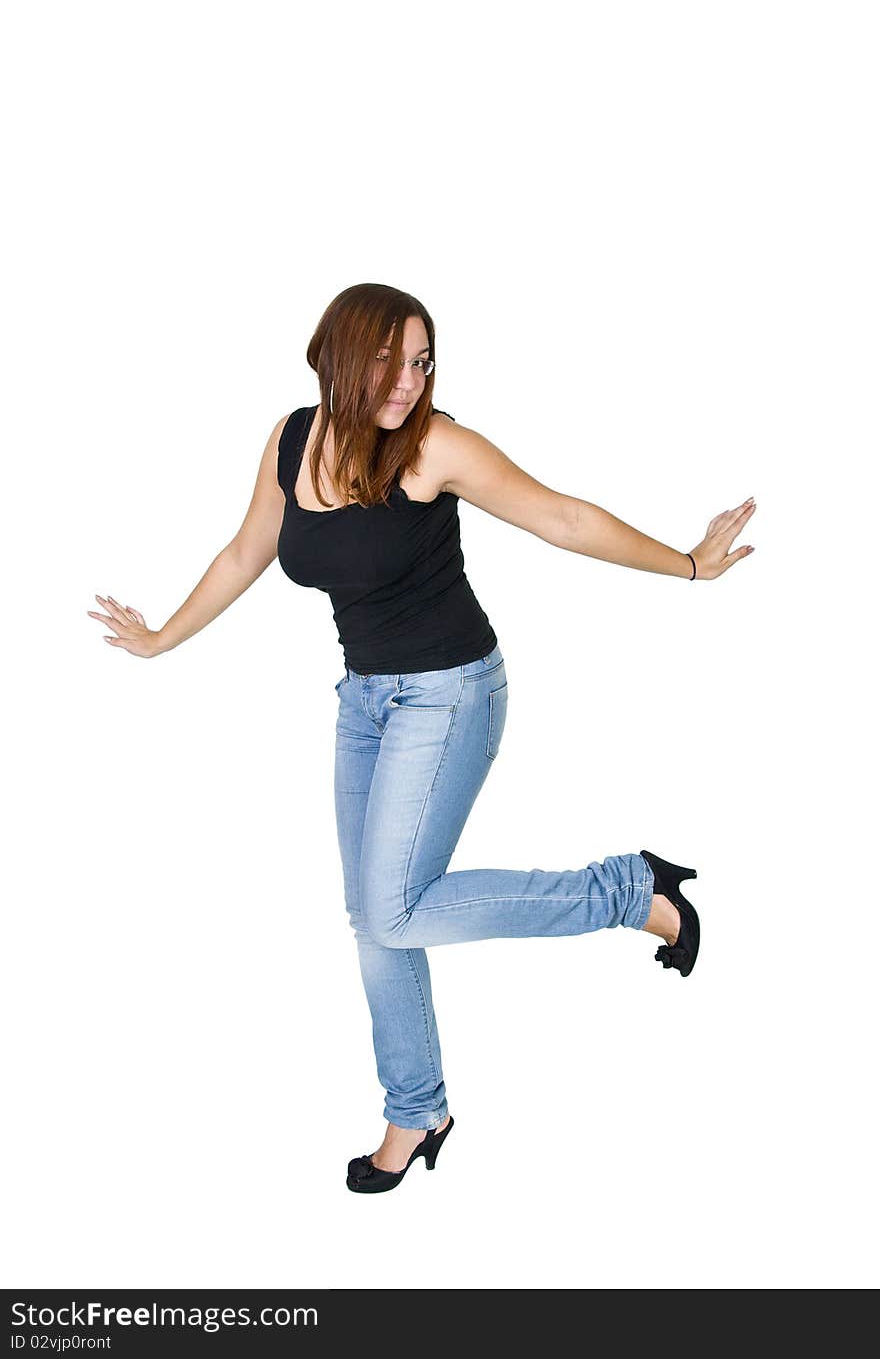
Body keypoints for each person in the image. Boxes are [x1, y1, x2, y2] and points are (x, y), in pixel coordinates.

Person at [88, 282, 757, 1194]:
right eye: (389, 359)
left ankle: (628, 890)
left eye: (422, 359)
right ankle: (416, 1106)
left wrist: (687, 562)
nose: (408, 380)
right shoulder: (291, 440)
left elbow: (560, 516)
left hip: (451, 696)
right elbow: (248, 549)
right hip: (364, 702)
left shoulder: (434, 448)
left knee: (390, 908)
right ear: (337, 355)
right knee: (376, 920)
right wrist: (164, 635)